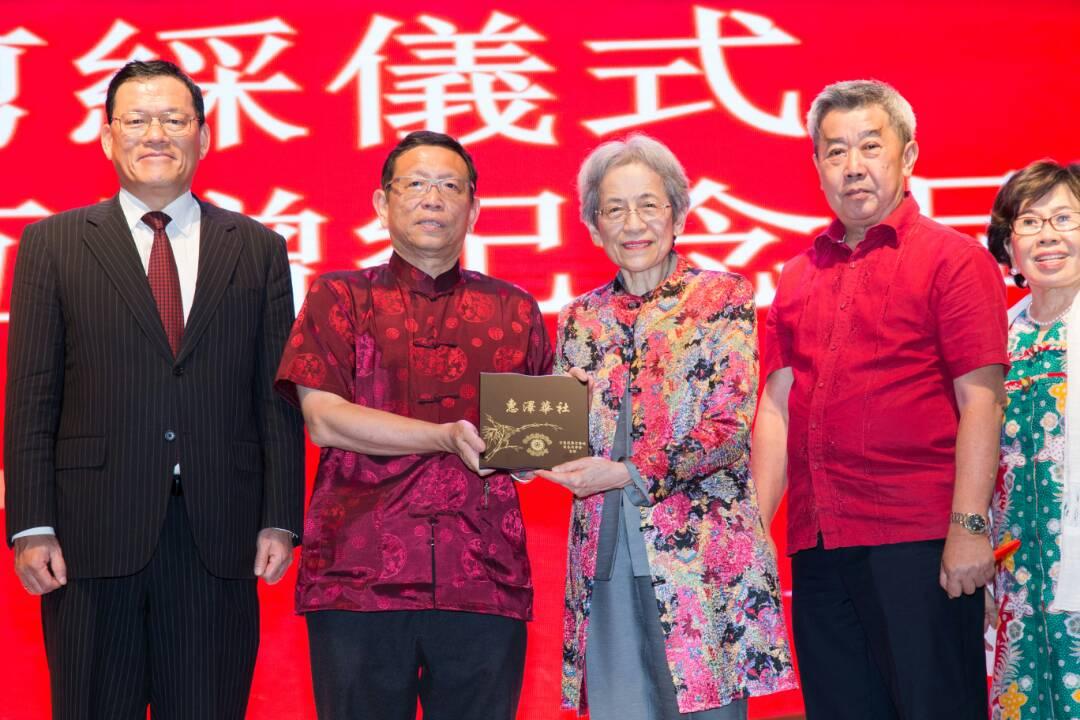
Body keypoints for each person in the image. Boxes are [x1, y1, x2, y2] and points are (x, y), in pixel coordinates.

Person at [4, 59, 304, 719]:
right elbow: (30, 396)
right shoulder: (52, 245)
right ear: (107, 138)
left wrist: (281, 514)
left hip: (217, 533)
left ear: (204, 136)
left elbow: (274, 396)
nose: (155, 134)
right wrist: (30, 525)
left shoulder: (256, 247)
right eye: (136, 121)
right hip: (88, 535)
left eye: (174, 119)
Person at [751, 79, 1009, 720]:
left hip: (918, 541)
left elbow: (982, 401)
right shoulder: (795, 274)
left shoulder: (954, 260)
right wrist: (754, 532)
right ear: (816, 166)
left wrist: (969, 527)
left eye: (871, 145)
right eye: (835, 152)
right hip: (819, 544)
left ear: (909, 154)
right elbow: (777, 408)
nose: (853, 165)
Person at [274, 130, 553, 720]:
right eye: (417, 185)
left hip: (483, 578)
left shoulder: (516, 310)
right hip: (357, 578)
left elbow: (533, 445)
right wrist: (444, 436)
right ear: (382, 203)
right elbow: (324, 420)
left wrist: (559, 428)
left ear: (473, 210)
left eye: (450, 187)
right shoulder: (339, 297)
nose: (433, 199)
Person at [535, 133, 795, 720]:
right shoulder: (579, 318)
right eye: (614, 209)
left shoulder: (722, 297)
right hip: (603, 554)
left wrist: (626, 470)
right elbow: (558, 431)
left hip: (701, 557)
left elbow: (728, 428)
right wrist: (522, 455)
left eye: (649, 204)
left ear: (678, 213)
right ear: (594, 227)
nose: (634, 223)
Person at [985, 159, 1080, 720]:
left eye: (1064, 217)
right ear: (1009, 246)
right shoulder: (999, 337)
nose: (1048, 235)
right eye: (1030, 221)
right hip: (1017, 574)